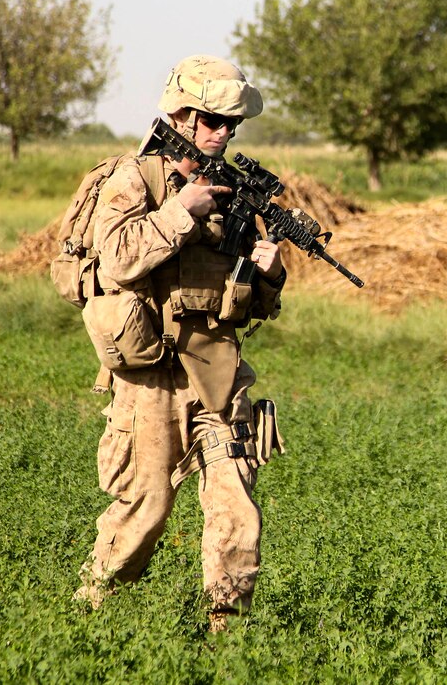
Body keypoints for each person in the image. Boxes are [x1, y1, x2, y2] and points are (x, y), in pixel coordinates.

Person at [73, 55, 286, 633]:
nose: (223, 133)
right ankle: (89, 616)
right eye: (213, 120)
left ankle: (228, 633)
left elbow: (252, 303)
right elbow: (116, 260)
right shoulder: (134, 179)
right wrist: (179, 213)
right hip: (152, 375)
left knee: (235, 509)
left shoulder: (233, 192)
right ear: (183, 116)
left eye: (231, 124)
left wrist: (269, 273)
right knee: (146, 511)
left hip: (217, 370)